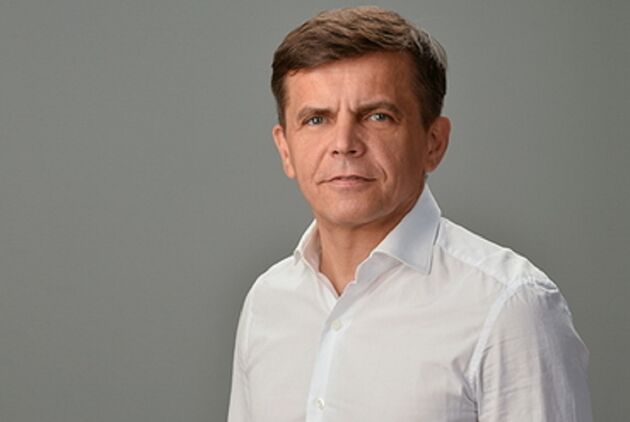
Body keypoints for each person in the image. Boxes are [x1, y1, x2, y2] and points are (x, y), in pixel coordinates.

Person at [228, 6, 592, 422]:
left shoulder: (511, 307)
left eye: (377, 116)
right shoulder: (267, 302)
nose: (344, 143)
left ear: (434, 142)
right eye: (316, 119)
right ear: (285, 149)